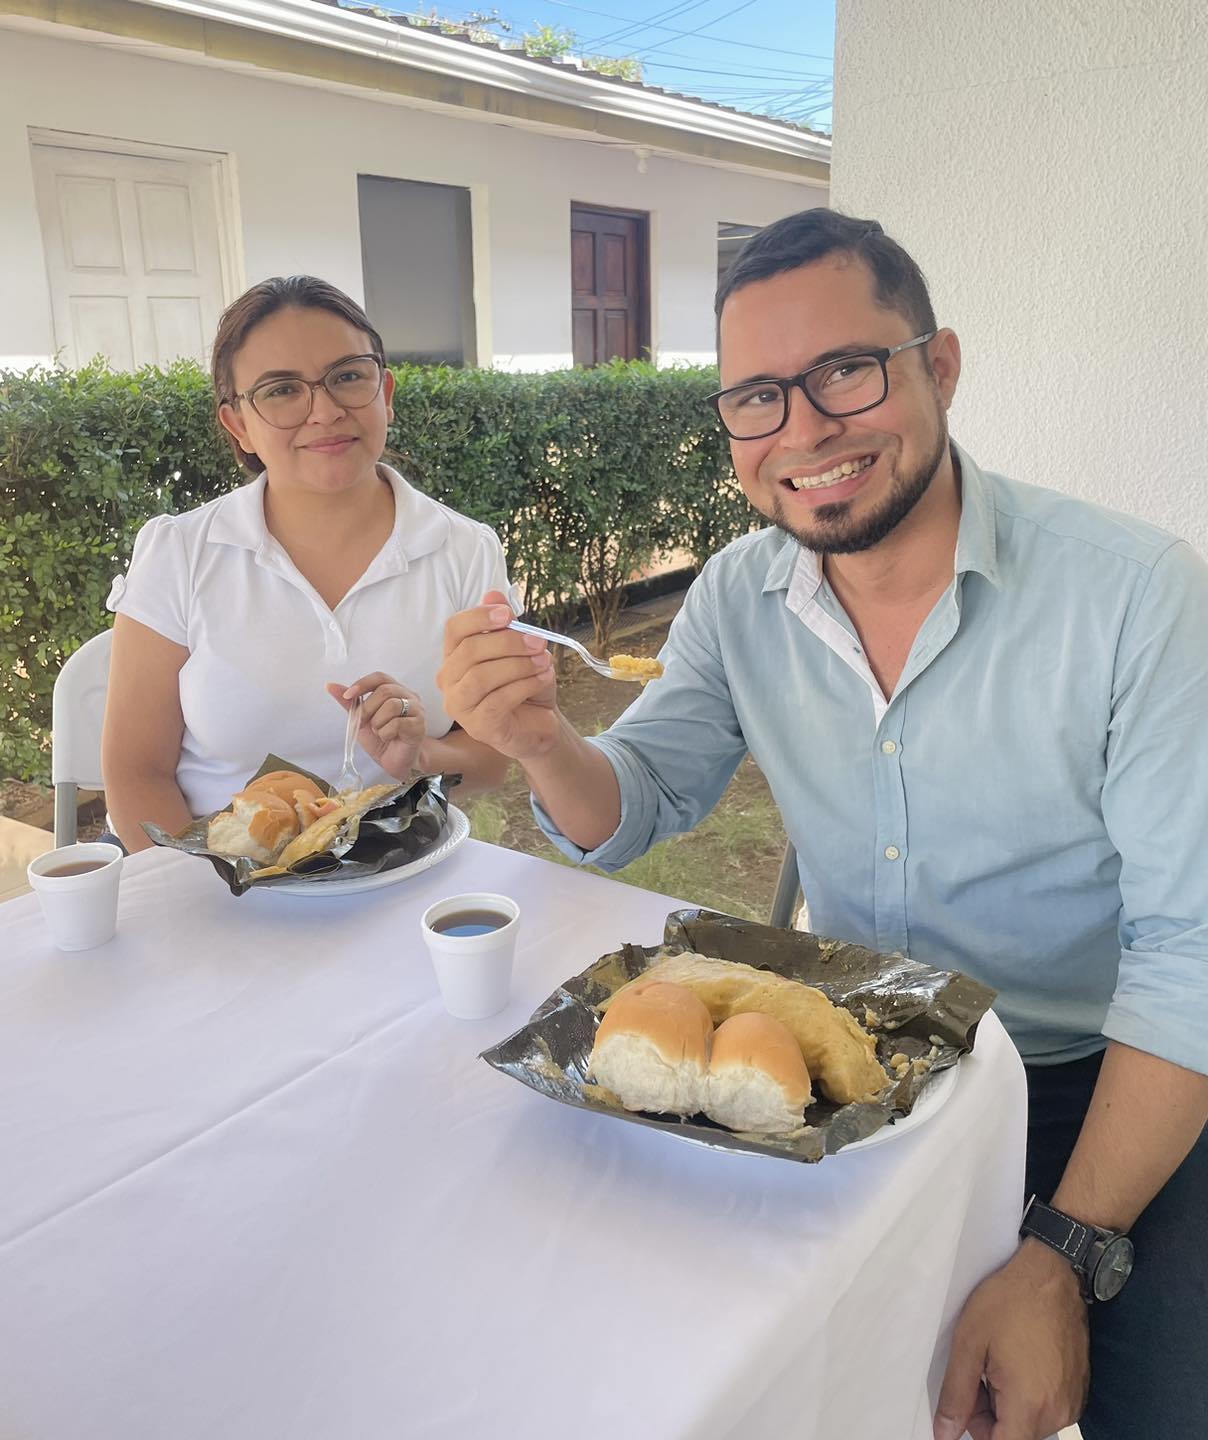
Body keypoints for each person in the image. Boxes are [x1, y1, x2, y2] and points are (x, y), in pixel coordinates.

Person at [436, 209, 1208, 1440]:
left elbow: (1190, 953)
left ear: (937, 366)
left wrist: (1059, 1249)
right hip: (865, 1072)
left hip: (1097, 1080)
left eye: (844, 371)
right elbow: (633, 809)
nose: (801, 431)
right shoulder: (740, 595)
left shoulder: (1133, 598)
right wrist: (538, 740)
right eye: (754, 397)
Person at [103, 276, 516, 851]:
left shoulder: (465, 550)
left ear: (386, 393)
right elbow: (135, 771)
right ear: (239, 424)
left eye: (348, 377)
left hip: (394, 872)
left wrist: (421, 754)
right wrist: (203, 904)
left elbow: (494, 759)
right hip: (216, 886)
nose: (323, 411)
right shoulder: (181, 553)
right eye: (280, 390)